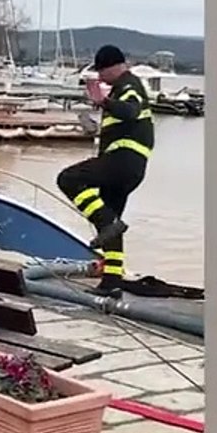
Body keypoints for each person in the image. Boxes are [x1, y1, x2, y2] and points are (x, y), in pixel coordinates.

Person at [55, 45, 155, 297]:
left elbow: (131, 111)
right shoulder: (121, 89)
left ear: (114, 66)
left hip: (123, 161)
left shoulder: (129, 85)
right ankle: (112, 282)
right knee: (112, 223)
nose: (99, 78)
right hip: (129, 166)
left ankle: (106, 222)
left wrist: (104, 101)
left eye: (101, 71)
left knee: (68, 178)